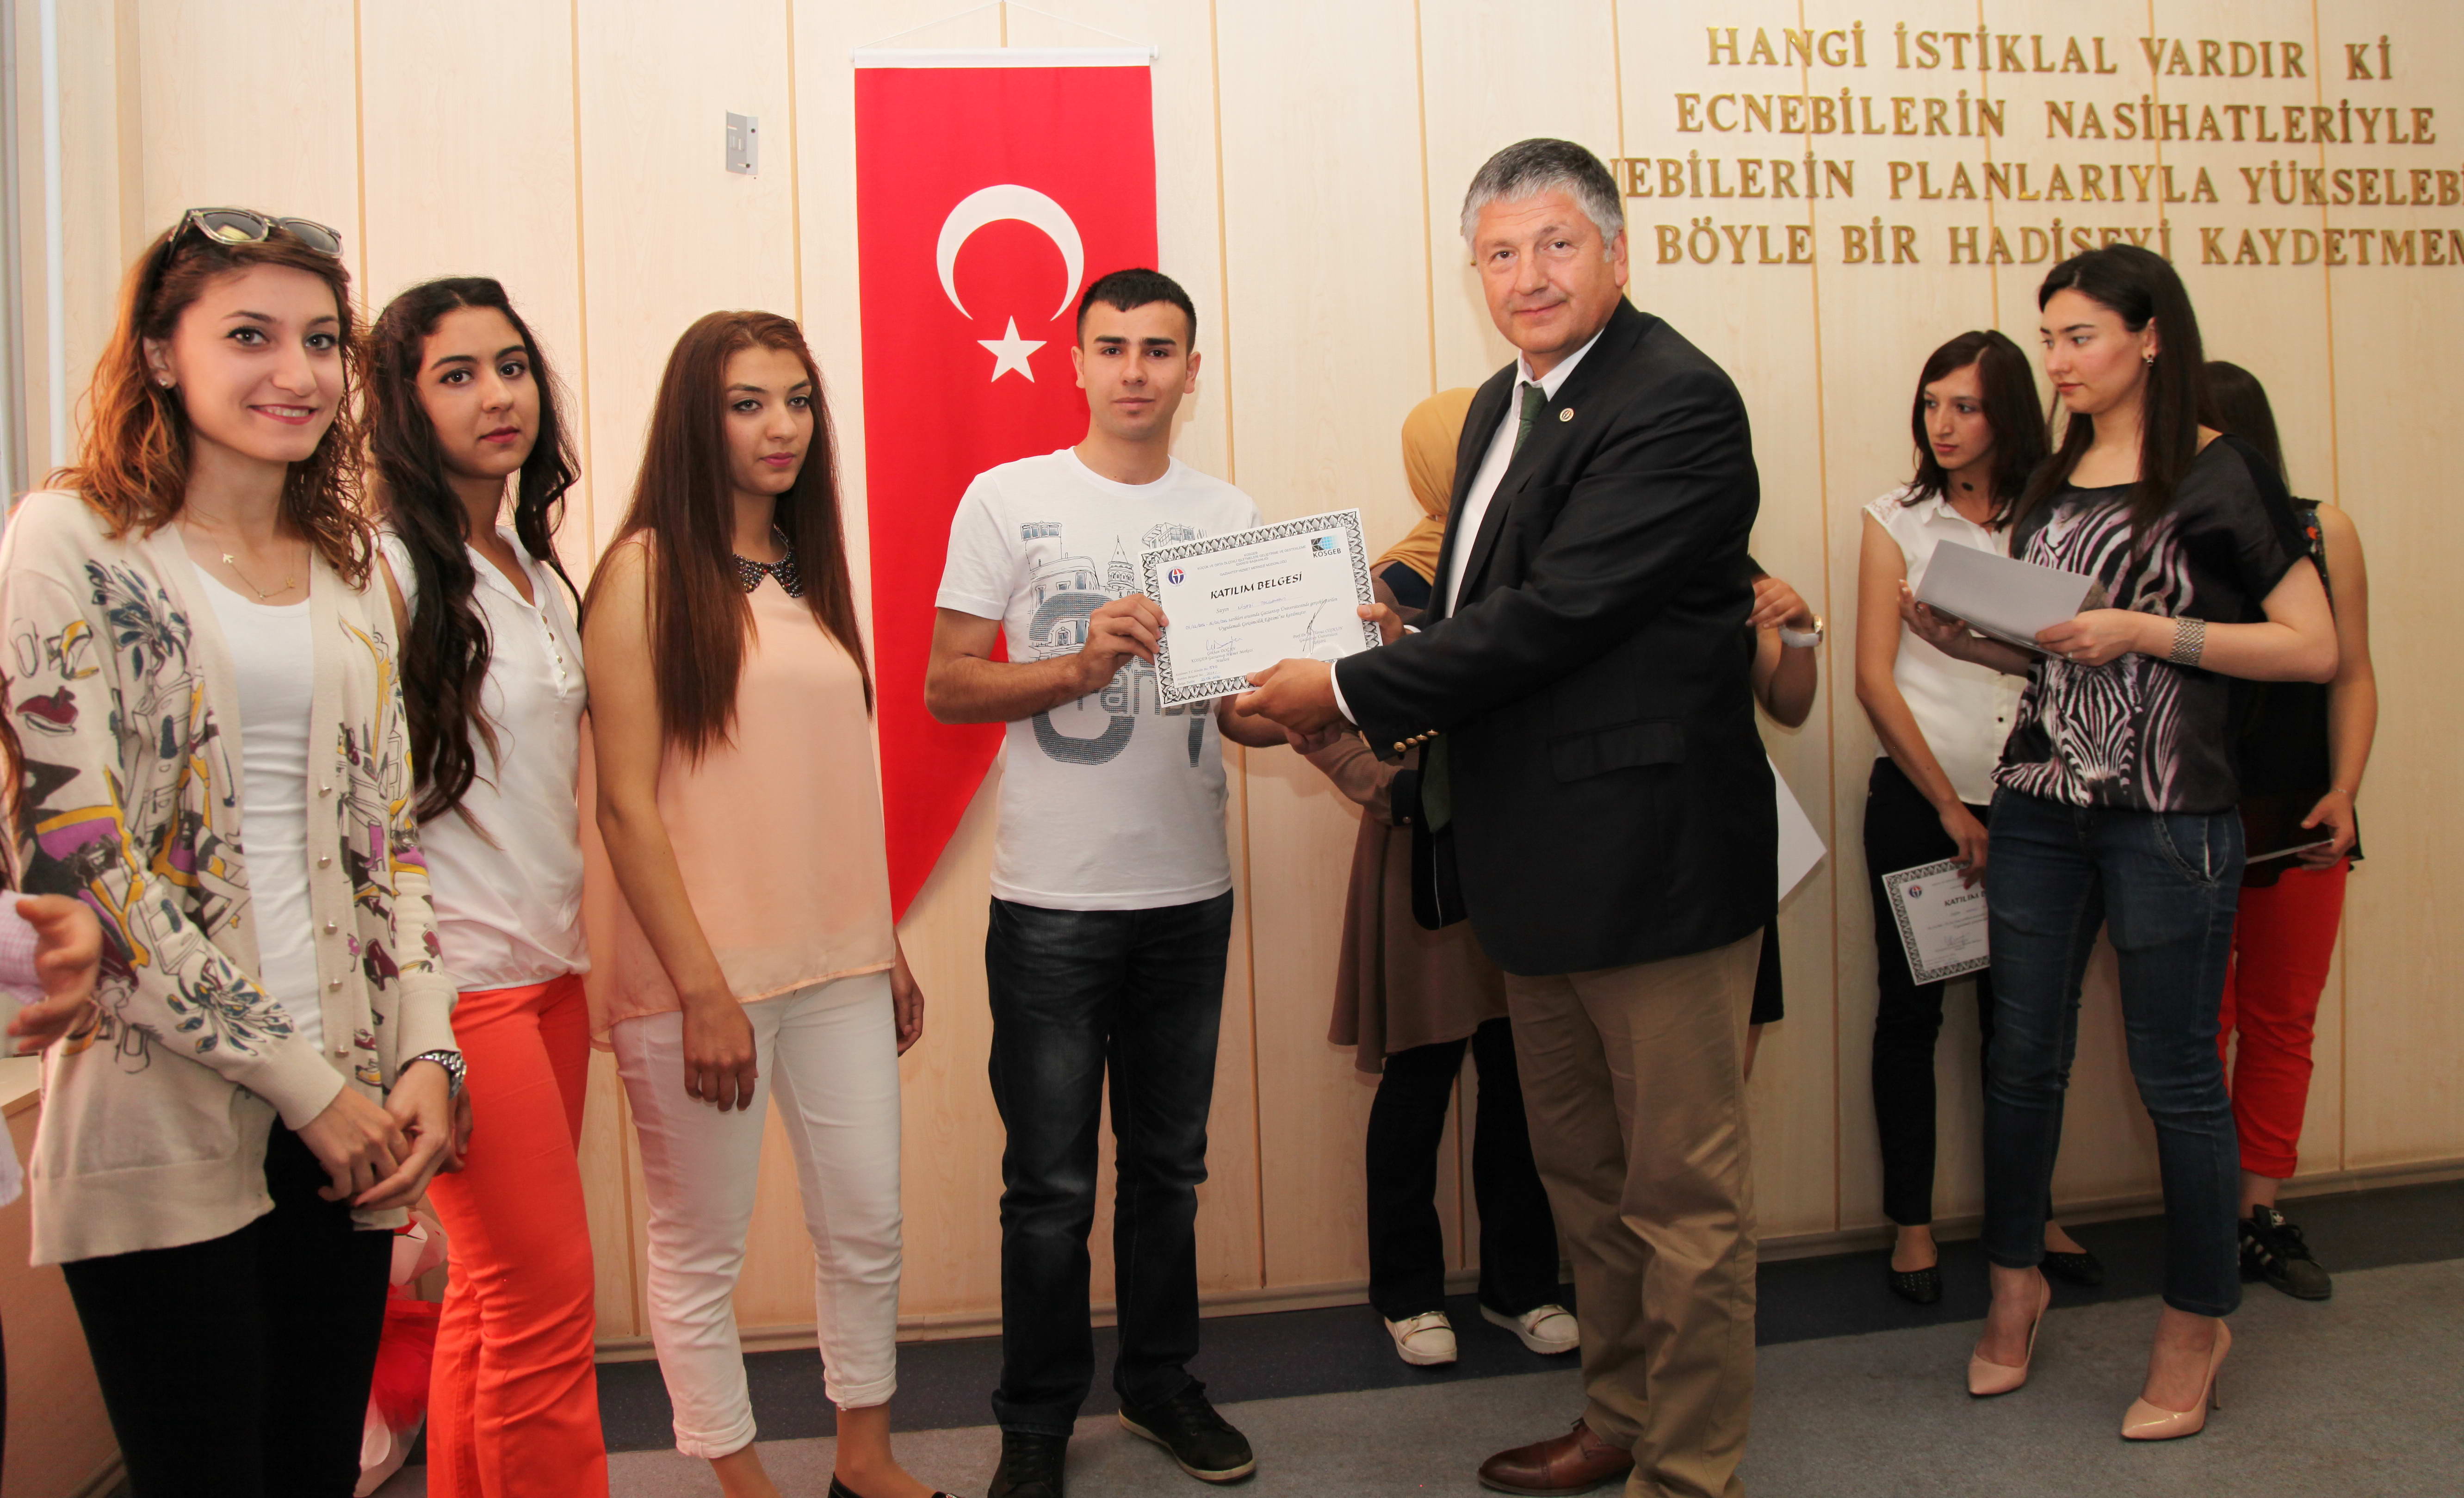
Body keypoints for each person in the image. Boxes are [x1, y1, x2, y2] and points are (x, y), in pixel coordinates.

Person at [1239, 139, 1775, 1498]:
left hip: (1653, 870)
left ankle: (1689, 1470)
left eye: (1553, 244)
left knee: (1681, 1197)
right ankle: (1618, 1415)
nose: (1525, 275)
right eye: (1497, 252)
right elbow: (1491, 613)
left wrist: (1344, 683)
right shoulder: (1498, 404)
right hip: (1533, 871)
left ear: (1615, 253)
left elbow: (1562, 614)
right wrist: (1388, 631)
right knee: (1581, 1177)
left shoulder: (1673, 399)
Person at [0, 209, 461, 1495]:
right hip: (164, 1098)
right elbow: (80, 852)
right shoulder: (70, 537)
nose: (295, 372)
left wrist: (427, 1049)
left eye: (321, 340)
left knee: (316, 1469)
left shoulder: (353, 566)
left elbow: (390, 836)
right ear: (161, 352)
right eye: (249, 336)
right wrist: (302, 1083)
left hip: (355, 1108)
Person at [1903, 244, 2337, 1440]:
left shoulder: (2218, 470)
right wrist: (1968, 636)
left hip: (2169, 807)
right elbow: (2060, 647)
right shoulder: (2049, 477)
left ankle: (2195, 1320)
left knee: (2175, 1074)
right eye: (2046, 337)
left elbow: (2309, 645)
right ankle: (2012, 1285)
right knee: (2020, 1057)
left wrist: (2146, 628)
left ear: (2148, 337)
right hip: (2040, 799)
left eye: (2078, 336)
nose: (2054, 360)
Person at [924, 267, 1296, 1498]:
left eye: (1159, 348)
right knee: (1047, 1186)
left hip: (1188, 892)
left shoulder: (1227, 510)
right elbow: (945, 683)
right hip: (1050, 900)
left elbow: (1237, 712)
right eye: (1112, 345)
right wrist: (1075, 669)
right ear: (1074, 361)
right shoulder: (1006, 497)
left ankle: (1156, 1381)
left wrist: (1323, 684)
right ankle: (1034, 1417)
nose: (1134, 369)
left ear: (1192, 370)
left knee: (1168, 1170)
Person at [584, 311, 941, 1498]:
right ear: (698, 418)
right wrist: (702, 991)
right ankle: (741, 1480)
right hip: (702, 978)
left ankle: (864, 1456)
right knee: (702, 1247)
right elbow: (625, 806)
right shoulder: (642, 571)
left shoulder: (806, 568)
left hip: (839, 961)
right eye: (747, 402)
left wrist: (883, 941)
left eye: (796, 399)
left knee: (867, 1221)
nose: (780, 425)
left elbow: (825, 783)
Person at [366, 276, 607, 1496]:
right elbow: (367, 814)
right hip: (459, 990)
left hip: (551, 968)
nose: (496, 394)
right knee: (544, 1306)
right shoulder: (384, 570)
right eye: (455, 375)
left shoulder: (529, 562)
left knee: (490, 1303)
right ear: (404, 405)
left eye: (510, 366)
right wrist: (421, 1015)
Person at [1304, 388, 1573, 1371]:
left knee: (1523, 1075)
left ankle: (1520, 1283)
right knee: (1418, 1080)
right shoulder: (1380, 580)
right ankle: (1407, 1291)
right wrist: (1391, 788)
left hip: (1522, 850)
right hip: (1420, 851)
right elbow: (1317, 714)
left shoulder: (1534, 567)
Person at [1853, 330, 2100, 1305]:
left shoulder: (2056, 516)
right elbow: (1874, 677)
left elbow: (2073, 657)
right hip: (1923, 800)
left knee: (2024, 1024)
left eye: (1965, 406)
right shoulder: (1896, 519)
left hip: (2039, 801)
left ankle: (2028, 1214)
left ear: (2009, 414)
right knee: (1911, 1014)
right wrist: (1950, 806)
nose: (1943, 425)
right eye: (1930, 404)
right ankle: (1910, 1221)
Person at [2203, 360, 2375, 1303]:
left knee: (2281, 1018)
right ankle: (2203, 1211)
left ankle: (2256, 1213)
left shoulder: (2320, 530)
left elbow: (2350, 672)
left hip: (2301, 812)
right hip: (2184, 812)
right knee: (2195, 1023)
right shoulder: (2153, 536)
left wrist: (2345, 788)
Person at [1742, 563, 1818, 1081]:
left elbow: (1789, 706)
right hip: (1610, 839)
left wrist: (1799, 630)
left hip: (1722, 841)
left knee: (1721, 1084)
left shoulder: (1731, 568)